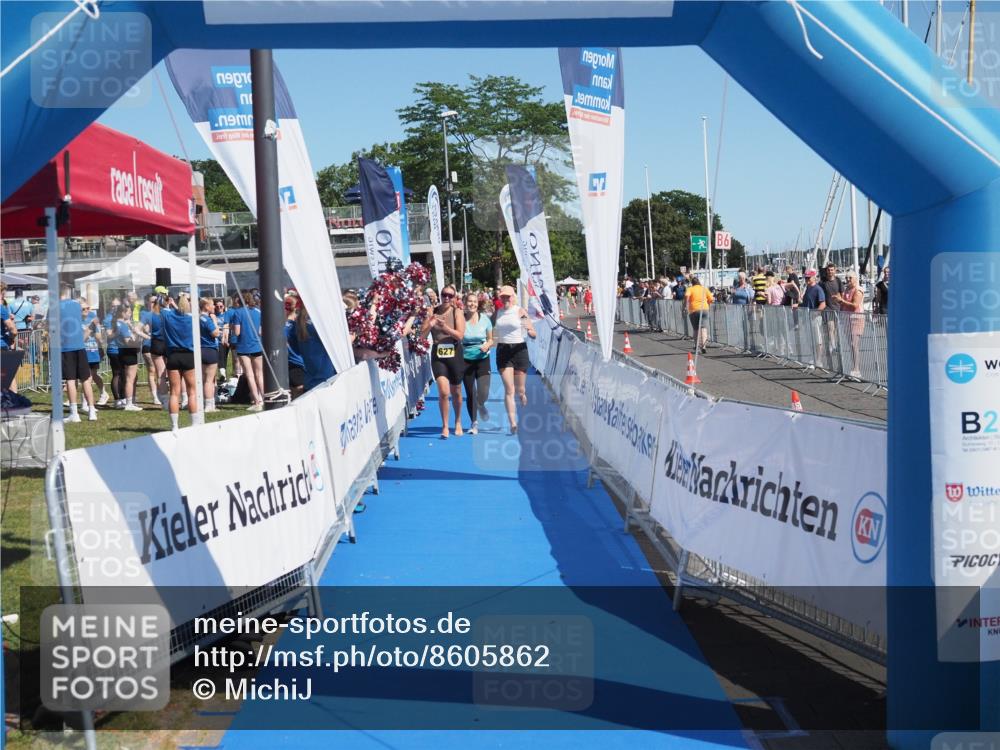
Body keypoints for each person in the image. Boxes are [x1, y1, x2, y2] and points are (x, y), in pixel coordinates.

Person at [421, 284, 465, 439]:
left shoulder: (457, 312)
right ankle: (445, 425)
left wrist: (444, 327)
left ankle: (458, 421)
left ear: (453, 298)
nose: (446, 298)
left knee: (457, 391)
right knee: (444, 392)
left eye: (449, 295)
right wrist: (430, 324)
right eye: (444, 295)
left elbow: (460, 336)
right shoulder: (432, 311)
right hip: (438, 354)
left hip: (455, 353)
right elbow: (422, 336)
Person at [493, 284, 536, 435]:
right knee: (509, 389)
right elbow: (494, 333)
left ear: (513, 297)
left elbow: (531, 329)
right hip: (503, 351)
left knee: (519, 389)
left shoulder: (520, 311)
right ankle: (513, 423)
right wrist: (489, 342)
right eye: (503, 296)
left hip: (519, 350)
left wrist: (530, 331)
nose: (505, 299)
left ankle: (523, 394)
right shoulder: (498, 312)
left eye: (508, 296)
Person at [56, 286, 97, 422]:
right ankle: (92, 411)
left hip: (66, 348)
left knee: (70, 380)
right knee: (85, 379)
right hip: (79, 346)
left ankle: (74, 413)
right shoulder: (77, 305)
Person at [161, 293, 201, 430]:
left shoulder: (168, 315)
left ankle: (174, 425)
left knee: (174, 392)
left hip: (173, 355)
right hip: (189, 355)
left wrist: (169, 302)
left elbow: (163, 305)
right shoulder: (193, 319)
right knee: (192, 392)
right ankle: (195, 423)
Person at [461, 291, 493, 435]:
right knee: (470, 393)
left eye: (474, 301)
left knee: (483, 393)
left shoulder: (485, 319)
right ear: (465, 304)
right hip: (465, 360)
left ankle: (481, 404)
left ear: (478, 304)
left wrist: (487, 345)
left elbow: (491, 339)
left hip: (482, 359)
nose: (472, 304)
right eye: (470, 301)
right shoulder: (460, 319)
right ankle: (474, 423)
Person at [291, 302, 335, 392]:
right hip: (325, 381)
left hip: (310, 382)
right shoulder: (318, 325)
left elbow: (296, 349)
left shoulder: (299, 324)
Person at [232, 290, 264, 411]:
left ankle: (257, 401)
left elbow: (237, 332)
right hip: (257, 345)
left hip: (243, 346)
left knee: (249, 375)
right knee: (259, 375)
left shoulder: (237, 313)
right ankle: (266, 399)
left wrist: (231, 327)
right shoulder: (258, 311)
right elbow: (260, 331)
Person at [113, 304, 146, 411]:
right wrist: (138, 338)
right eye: (128, 312)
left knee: (128, 378)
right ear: (123, 313)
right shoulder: (122, 325)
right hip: (128, 353)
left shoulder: (118, 323)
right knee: (130, 379)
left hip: (122, 352)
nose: (130, 313)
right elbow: (128, 342)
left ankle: (128, 402)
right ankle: (129, 403)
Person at [833, 271, 866, 378]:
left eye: (850, 278)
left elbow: (855, 305)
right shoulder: (847, 289)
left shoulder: (858, 290)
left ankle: (857, 369)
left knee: (854, 344)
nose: (847, 280)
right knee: (850, 345)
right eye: (846, 278)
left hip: (856, 318)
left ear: (855, 278)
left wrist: (841, 301)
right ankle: (853, 367)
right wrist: (838, 302)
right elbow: (844, 303)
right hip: (846, 319)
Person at [81, 301, 107, 406]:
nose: (87, 310)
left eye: (88, 308)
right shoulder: (76, 321)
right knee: (89, 376)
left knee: (89, 377)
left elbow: (99, 337)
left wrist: (97, 327)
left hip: (93, 352)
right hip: (82, 351)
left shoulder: (93, 319)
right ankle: (103, 393)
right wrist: (88, 329)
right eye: (84, 309)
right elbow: (81, 338)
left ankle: (85, 402)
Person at [142, 293, 164, 407]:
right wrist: (147, 335)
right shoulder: (144, 314)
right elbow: (139, 328)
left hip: (160, 346)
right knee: (152, 371)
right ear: (147, 303)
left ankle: (162, 394)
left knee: (161, 372)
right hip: (148, 345)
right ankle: (156, 397)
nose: (154, 304)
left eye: (156, 301)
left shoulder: (161, 313)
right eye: (152, 302)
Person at [198, 298, 221, 412]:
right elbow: (215, 333)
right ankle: (209, 405)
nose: (214, 307)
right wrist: (215, 322)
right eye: (212, 305)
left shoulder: (197, 318)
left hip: (200, 350)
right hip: (209, 349)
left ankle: (207, 403)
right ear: (206, 306)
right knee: (209, 380)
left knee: (204, 379)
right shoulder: (206, 319)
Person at [284, 294, 306, 399]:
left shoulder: (287, 326)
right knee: (299, 392)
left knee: (296, 392)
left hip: (294, 363)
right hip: (299, 363)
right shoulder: (295, 325)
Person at [684, 276, 714, 354]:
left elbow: (687, 296)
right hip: (704, 309)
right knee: (703, 328)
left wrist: (685, 306)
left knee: (696, 329)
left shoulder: (690, 289)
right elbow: (711, 299)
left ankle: (697, 346)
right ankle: (703, 346)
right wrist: (708, 306)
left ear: (692, 283)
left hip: (693, 310)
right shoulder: (704, 288)